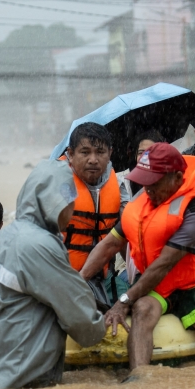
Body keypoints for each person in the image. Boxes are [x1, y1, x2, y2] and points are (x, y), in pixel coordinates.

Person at [80, 143, 195, 370]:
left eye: (154, 181)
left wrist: (123, 301)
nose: (147, 188)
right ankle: (139, 379)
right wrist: (79, 279)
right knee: (142, 310)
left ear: (177, 177)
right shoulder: (141, 204)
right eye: (144, 181)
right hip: (155, 286)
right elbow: (109, 245)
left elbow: (165, 263)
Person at [0, 161, 106, 389]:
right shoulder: (37, 245)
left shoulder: (4, 238)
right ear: (57, 203)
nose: (72, 211)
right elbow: (82, 322)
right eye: (70, 203)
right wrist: (103, 325)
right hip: (14, 381)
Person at [62, 122, 130, 306]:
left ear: (110, 154)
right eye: (85, 152)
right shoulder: (57, 182)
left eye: (100, 152)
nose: (93, 159)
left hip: (102, 276)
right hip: (61, 276)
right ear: (70, 153)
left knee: (128, 301)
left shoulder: (118, 185)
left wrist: (135, 274)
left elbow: (126, 232)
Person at [123, 129, 165, 197]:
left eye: (151, 152)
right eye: (141, 152)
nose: (144, 157)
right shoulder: (125, 184)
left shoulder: (169, 179)